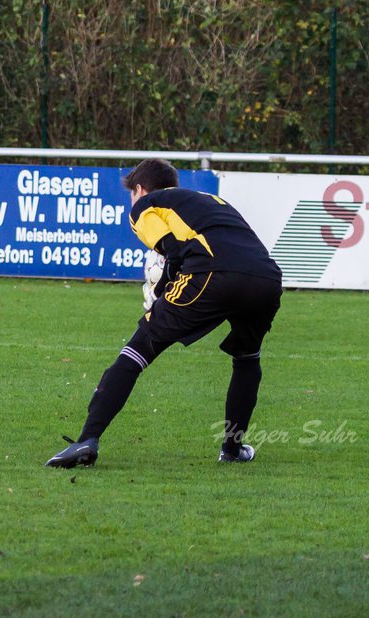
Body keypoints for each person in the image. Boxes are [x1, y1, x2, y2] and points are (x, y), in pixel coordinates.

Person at [46, 158, 282, 467]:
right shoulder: (212, 201)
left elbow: (173, 252)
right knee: (247, 358)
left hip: (213, 274)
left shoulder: (147, 205)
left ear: (140, 189)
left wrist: (159, 294)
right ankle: (233, 449)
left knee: (138, 348)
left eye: (133, 193)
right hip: (267, 278)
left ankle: (87, 440)